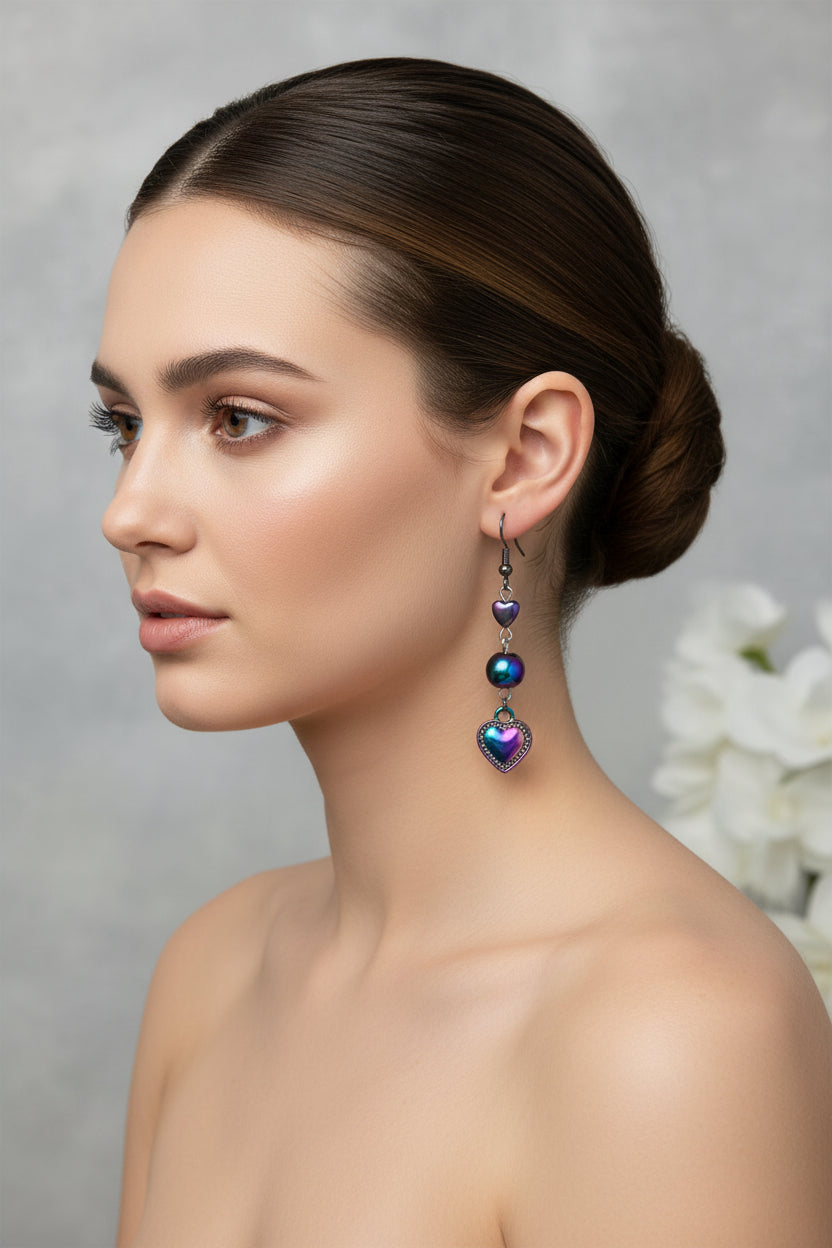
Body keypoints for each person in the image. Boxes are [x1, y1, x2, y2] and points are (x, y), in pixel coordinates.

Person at [91, 57, 832, 1247]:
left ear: (525, 456)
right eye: (123, 424)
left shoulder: (673, 1033)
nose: (132, 510)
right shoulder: (214, 972)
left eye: (238, 418)